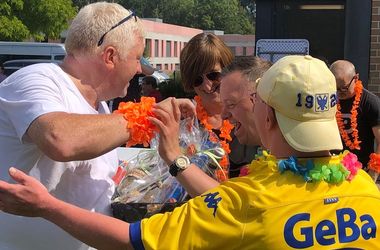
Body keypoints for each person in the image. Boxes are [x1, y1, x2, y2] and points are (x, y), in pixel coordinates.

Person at [2, 55, 380, 249]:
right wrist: (176, 159)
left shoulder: (251, 202)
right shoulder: (365, 188)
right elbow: (231, 201)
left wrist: (46, 206)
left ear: (267, 116)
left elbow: (133, 240)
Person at [0, 2, 194, 250]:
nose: (138, 69)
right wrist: (149, 114)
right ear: (110, 56)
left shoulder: (100, 107)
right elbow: (61, 139)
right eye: (137, 58)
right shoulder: (37, 78)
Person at [180, 33, 258, 178]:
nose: (207, 86)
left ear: (227, 69)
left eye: (213, 75)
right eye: (197, 80)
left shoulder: (251, 110)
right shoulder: (185, 120)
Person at [330, 60, 380, 181]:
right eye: (335, 88)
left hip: (360, 173)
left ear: (356, 78)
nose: (339, 93)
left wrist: (373, 173)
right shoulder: (328, 99)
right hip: (331, 169)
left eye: (344, 88)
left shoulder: (370, 102)